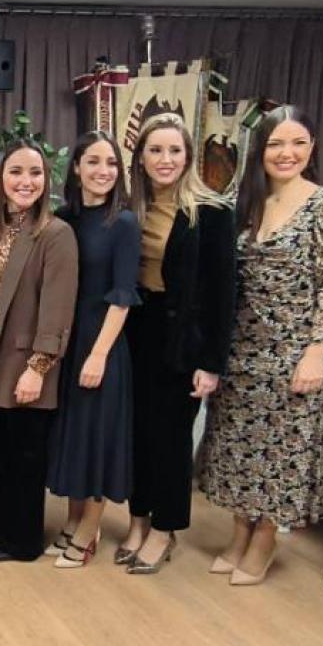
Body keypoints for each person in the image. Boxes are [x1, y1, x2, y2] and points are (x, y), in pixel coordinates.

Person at [197, 106, 323, 585]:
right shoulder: (246, 202)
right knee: (239, 447)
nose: (286, 153)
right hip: (243, 346)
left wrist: (315, 351)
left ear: (311, 148)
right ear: (259, 151)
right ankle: (240, 531)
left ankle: (265, 538)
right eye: (275, 144)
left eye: (297, 143)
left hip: (292, 350)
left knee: (281, 453)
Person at [118, 113, 236, 574]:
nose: (165, 160)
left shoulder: (213, 212)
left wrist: (212, 363)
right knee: (137, 434)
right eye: (155, 151)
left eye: (174, 151)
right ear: (141, 158)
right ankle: (137, 518)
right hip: (137, 332)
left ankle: (164, 530)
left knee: (169, 439)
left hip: (182, 341)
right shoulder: (133, 207)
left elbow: (223, 294)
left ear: (188, 157)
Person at [0, 138, 79, 564]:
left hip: (27, 363)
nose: (26, 181)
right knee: (1, 455)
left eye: (35, 173)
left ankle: (23, 541)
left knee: (26, 457)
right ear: (2, 178)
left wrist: (38, 367)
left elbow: (56, 310)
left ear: (46, 179)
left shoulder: (55, 234)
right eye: (16, 172)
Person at [44, 131, 141, 568]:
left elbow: (123, 295)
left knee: (98, 437)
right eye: (94, 161)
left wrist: (99, 354)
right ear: (77, 167)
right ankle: (71, 520)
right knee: (73, 435)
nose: (104, 171)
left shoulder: (123, 222)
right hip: (68, 339)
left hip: (101, 342)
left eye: (112, 163)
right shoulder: (63, 217)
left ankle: (88, 531)